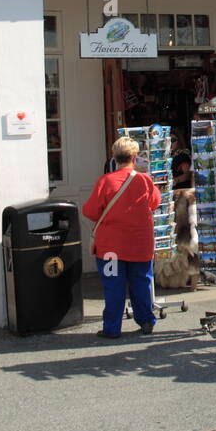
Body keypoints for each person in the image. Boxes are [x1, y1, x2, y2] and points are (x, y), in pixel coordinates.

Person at [83, 136, 163, 338]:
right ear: (135, 156)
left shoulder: (105, 181)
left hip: (111, 245)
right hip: (140, 243)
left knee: (113, 286)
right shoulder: (144, 179)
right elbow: (155, 203)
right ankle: (146, 321)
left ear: (114, 157)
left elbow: (91, 211)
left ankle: (112, 328)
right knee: (142, 283)